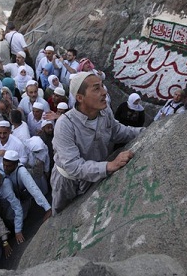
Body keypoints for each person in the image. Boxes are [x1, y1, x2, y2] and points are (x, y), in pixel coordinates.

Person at [51, 72, 144, 215]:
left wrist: (143, 132)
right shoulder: (65, 125)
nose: (104, 92)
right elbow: (73, 166)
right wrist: (109, 165)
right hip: (67, 182)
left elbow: (116, 130)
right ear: (80, 98)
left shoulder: (105, 110)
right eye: (96, 88)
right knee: (60, 213)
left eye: (102, 86)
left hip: (96, 171)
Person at [2, 150, 52, 219]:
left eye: (8, 166)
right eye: (4, 165)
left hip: (24, 195)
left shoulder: (22, 173)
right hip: (14, 194)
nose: (5, 168)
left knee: (13, 216)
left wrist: (48, 208)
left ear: (16, 164)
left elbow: (33, 189)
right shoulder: (4, 167)